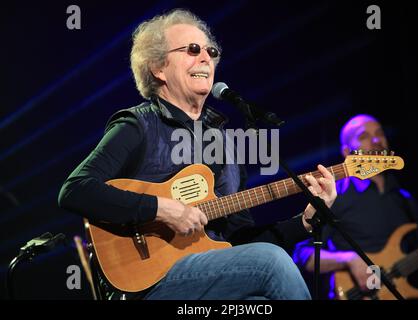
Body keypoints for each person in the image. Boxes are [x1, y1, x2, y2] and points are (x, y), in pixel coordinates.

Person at [58, 9, 337, 300]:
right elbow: (75, 190)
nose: (206, 57)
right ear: (158, 68)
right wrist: (161, 209)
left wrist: (304, 221)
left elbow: (240, 242)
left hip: (208, 282)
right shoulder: (138, 125)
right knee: (271, 262)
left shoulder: (225, 144)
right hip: (150, 285)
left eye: (210, 51)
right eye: (192, 49)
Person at [292, 114, 418, 299]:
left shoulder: (405, 199)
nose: (376, 140)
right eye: (364, 136)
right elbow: (302, 254)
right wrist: (349, 260)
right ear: (347, 152)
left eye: (380, 133)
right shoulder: (335, 196)